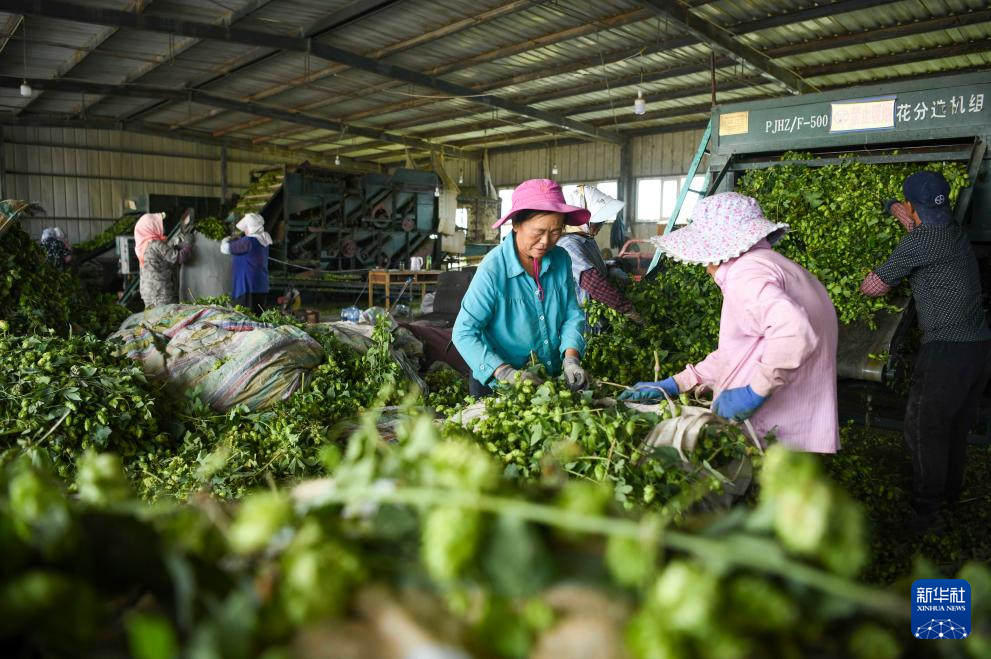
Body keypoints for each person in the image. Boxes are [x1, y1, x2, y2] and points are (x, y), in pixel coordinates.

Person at [619, 192, 840, 454]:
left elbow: (793, 331)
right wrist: (678, 383)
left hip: (774, 433)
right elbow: (740, 352)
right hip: (801, 431)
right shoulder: (781, 267)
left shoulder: (746, 274)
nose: (703, 265)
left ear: (716, 248)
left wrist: (754, 391)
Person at [860, 170, 991, 534]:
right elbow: (918, 226)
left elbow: (873, 288)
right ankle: (949, 498)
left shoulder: (918, 244)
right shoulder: (951, 231)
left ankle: (924, 518)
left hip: (946, 353)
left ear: (913, 211)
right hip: (978, 351)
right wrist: (894, 207)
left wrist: (864, 280)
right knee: (953, 431)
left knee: (923, 431)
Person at [453, 179, 591, 397]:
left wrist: (571, 359)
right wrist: (506, 373)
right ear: (516, 225)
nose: (546, 241)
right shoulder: (493, 269)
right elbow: (464, 332)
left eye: (555, 232)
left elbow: (572, 313)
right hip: (498, 387)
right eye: (538, 231)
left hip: (549, 378)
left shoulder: (560, 259)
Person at [556, 186, 640, 322]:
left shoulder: (586, 239)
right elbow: (593, 281)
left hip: (595, 316)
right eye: (597, 222)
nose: (601, 226)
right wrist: (628, 309)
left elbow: (593, 266)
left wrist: (611, 267)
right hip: (580, 320)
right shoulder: (569, 245)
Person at [134, 212, 191, 309]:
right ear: (152, 226)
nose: (162, 227)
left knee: (155, 321)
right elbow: (179, 258)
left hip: (148, 294)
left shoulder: (142, 245)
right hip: (161, 294)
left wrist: (177, 245)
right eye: (159, 224)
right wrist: (188, 242)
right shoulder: (155, 244)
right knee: (168, 321)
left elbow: (165, 252)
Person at [221, 212, 271, 315]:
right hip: (261, 285)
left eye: (246, 228)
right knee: (258, 316)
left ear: (250, 228)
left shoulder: (248, 241)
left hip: (246, 287)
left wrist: (226, 240)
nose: (245, 230)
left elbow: (225, 249)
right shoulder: (264, 239)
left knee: (246, 317)